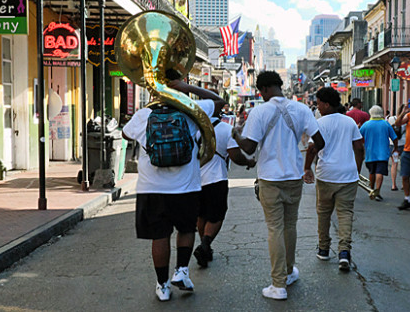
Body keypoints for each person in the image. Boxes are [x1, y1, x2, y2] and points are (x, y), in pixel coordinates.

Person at [122, 80, 225, 302]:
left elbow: (125, 134)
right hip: (185, 186)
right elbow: (219, 101)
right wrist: (188, 89)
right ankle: (182, 271)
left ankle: (162, 285)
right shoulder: (191, 112)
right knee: (186, 229)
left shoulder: (144, 114)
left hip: (152, 188)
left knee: (159, 236)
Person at [232, 71, 325, 300]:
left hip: (270, 178)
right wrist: (307, 160)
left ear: (263, 90)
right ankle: (289, 271)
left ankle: (278, 284)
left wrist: (236, 135)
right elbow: (319, 141)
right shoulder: (302, 108)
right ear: (280, 86)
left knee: (275, 228)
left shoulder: (260, 111)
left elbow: (250, 147)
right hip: (294, 176)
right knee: (289, 225)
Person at [303, 87, 364, 271]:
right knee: (345, 213)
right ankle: (344, 252)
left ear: (327, 104)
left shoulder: (319, 123)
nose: (318, 106)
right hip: (348, 175)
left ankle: (323, 248)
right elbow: (359, 148)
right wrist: (356, 170)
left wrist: (307, 168)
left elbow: (312, 148)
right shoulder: (350, 122)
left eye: (319, 103)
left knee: (323, 212)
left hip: (326, 174)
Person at [193, 113, 257, 268]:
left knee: (201, 215)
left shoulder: (194, 127)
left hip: (194, 179)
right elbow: (235, 156)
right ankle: (205, 243)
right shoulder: (225, 129)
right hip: (216, 178)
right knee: (216, 215)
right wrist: (249, 162)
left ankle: (205, 247)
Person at [359, 105, 398, 201]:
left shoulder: (366, 124)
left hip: (370, 153)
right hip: (383, 153)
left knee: (372, 172)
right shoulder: (385, 124)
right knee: (379, 171)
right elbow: (395, 137)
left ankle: (371, 189)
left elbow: (358, 137)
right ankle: (377, 190)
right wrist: (396, 148)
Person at [388, 116, 406, 191]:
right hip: (403, 144)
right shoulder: (405, 119)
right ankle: (403, 184)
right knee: (404, 164)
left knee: (394, 164)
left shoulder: (391, 119)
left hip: (393, 144)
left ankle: (393, 184)